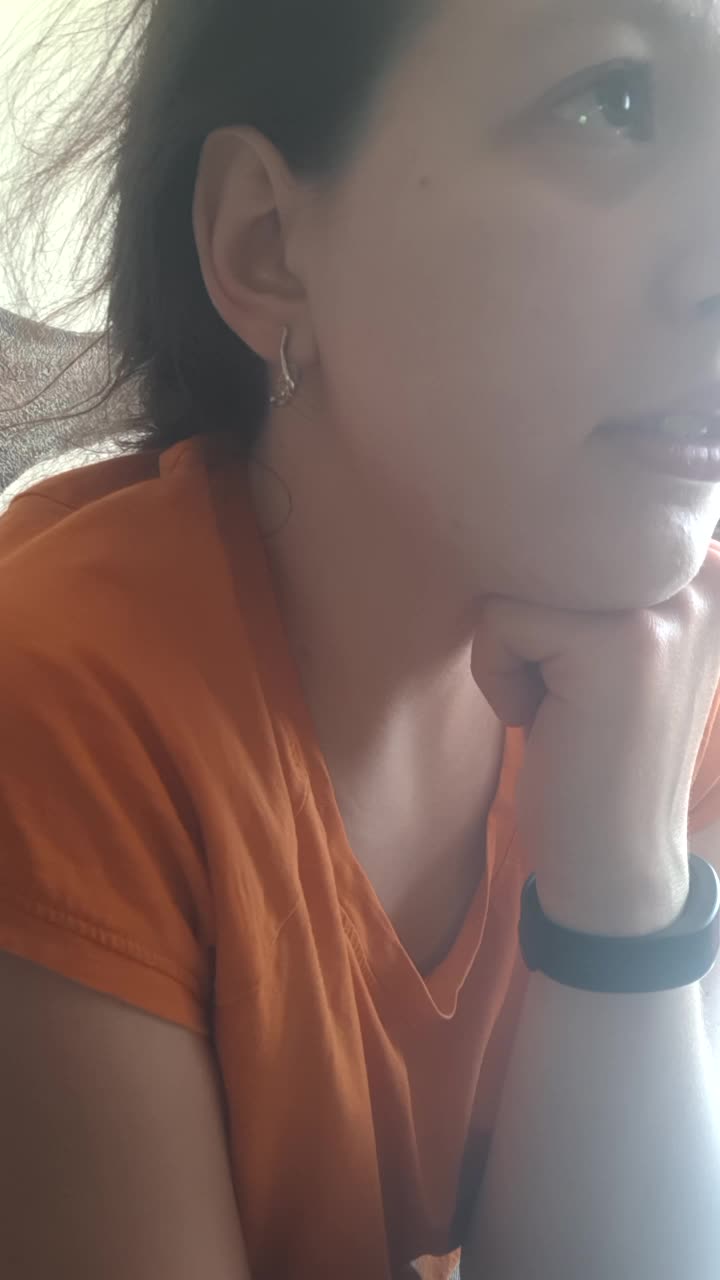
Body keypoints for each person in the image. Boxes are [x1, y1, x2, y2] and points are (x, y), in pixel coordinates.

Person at [3, 0, 720, 1276]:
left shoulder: (664, 674)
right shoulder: (64, 707)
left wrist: (622, 898)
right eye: (612, 102)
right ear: (270, 243)